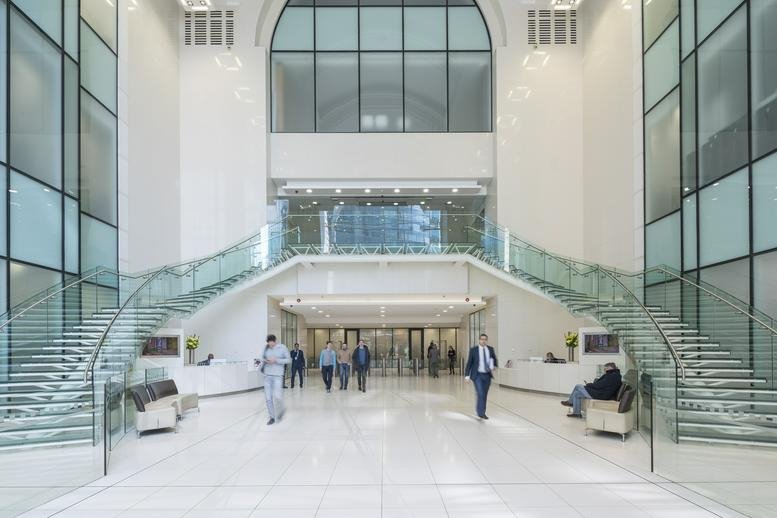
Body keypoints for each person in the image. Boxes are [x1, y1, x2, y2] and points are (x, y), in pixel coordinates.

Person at [464, 333, 497, 420]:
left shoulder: (490, 349)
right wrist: (467, 376)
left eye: (485, 339)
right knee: (480, 393)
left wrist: (493, 366)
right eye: (482, 339)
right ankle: (481, 413)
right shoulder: (473, 350)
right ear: (479, 340)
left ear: (487, 340)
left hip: (487, 375)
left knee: (484, 394)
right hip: (477, 375)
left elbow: (494, 359)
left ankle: (482, 411)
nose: (483, 341)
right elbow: (469, 363)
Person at [260, 334, 290, 425]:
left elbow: (288, 360)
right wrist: (265, 360)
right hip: (267, 376)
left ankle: (281, 410)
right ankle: (272, 417)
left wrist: (276, 360)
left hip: (277, 376)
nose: (271, 345)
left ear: (275, 341)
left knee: (277, 396)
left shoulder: (282, 348)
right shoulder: (266, 348)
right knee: (268, 398)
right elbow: (261, 357)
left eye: (272, 343)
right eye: (269, 343)